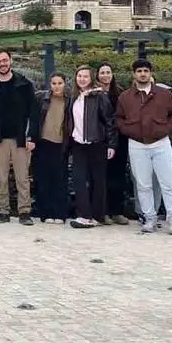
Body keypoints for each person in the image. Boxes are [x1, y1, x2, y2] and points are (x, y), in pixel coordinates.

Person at [115, 59, 172, 235]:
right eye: (139, 71)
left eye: (145, 70)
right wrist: (130, 131)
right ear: (134, 74)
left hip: (161, 143)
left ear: (150, 73)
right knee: (143, 185)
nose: (142, 74)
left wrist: (165, 130)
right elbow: (119, 119)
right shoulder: (126, 97)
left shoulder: (164, 94)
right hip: (137, 144)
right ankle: (149, 218)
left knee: (168, 183)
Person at [0, 49, 38, 224]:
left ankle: (24, 212)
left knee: (22, 178)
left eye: (5, 60)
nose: (2, 64)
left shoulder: (24, 84)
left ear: (10, 61)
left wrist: (30, 137)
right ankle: (3, 211)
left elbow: (33, 113)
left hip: (20, 139)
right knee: (0, 178)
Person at [66, 66, 117, 229]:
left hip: (97, 143)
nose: (82, 79)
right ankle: (84, 215)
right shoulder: (74, 97)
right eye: (79, 76)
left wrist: (111, 144)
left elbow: (110, 121)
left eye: (85, 76)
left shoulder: (99, 96)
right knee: (79, 180)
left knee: (98, 181)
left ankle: (97, 216)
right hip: (78, 144)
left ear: (91, 78)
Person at [96, 62, 130, 225]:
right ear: (97, 75)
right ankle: (104, 211)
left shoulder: (121, 93)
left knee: (118, 176)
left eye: (108, 72)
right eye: (102, 72)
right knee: (102, 177)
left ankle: (117, 211)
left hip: (120, 140)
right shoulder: (94, 94)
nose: (105, 75)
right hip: (101, 140)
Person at [33, 73, 70, 224]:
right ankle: (45, 212)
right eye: (54, 83)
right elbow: (34, 119)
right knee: (43, 179)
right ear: (50, 84)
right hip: (43, 143)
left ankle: (59, 213)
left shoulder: (69, 101)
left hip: (60, 144)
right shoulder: (41, 98)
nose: (56, 86)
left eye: (60, 83)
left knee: (59, 180)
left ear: (64, 84)